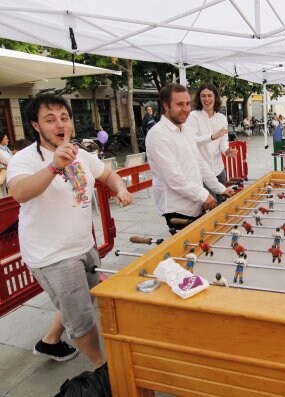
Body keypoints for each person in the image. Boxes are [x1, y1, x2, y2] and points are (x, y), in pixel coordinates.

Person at [6, 94, 133, 371]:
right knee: (82, 315)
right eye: (50, 120)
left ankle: (50, 341)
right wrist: (54, 166)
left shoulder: (82, 154)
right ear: (36, 126)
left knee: (83, 297)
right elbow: (19, 192)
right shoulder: (25, 159)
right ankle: (104, 368)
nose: (60, 124)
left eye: (64, 118)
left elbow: (108, 174)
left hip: (83, 245)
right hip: (52, 255)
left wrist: (120, 188)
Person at [146, 83, 235, 233]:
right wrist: (204, 195)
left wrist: (220, 189)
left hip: (195, 203)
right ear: (166, 105)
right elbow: (174, 178)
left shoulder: (186, 129)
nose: (186, 109)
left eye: (187, 104)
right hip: (177, 208)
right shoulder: (158, 135)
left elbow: (199, 164)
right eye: (180, 104)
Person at [186, 82, 238, 204]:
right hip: (202, 172)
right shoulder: (193, 117)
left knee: (222, 205)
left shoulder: (221, 118)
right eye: (203, 96)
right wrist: (211, 137)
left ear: (215, 97)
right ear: (199, 98)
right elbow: (190, 142)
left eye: (210, 95)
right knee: (211, 206)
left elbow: (223, 140)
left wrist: (226, 150)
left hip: (219, 169)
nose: (207, 99)